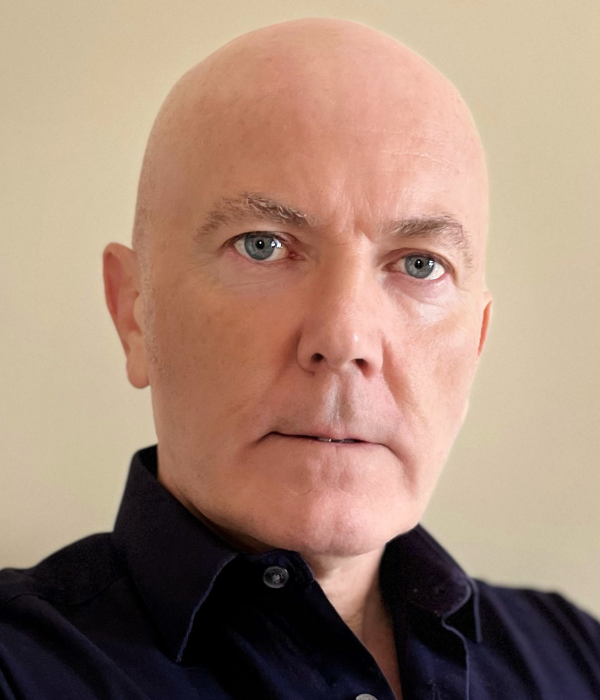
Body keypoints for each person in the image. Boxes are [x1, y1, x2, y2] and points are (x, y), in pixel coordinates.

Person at [1, 17, 599, 700]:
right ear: (134, 313)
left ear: (477, 344)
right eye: (262, 245)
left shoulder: (578, 661)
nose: (344, 339)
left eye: (420, 264)